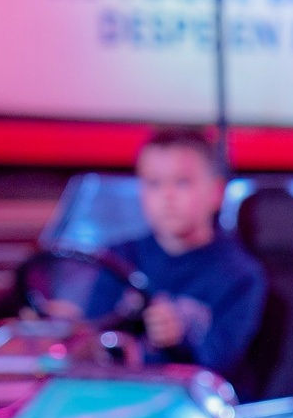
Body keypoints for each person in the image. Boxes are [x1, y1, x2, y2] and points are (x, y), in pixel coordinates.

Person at [112, 128, 268, 378]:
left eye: (182, 182)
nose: (167, 196)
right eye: (154, 183)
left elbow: (220, 367)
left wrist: (179, 339)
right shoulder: (116, 258)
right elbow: (92, 337)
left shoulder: (240, 276)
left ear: (216, 193)